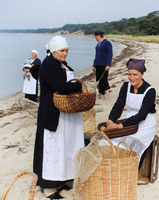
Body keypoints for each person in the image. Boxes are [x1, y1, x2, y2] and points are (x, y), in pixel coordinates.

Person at [33, 35, 84, 199]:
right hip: (53, 113)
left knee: (67, 146)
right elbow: (60, 86)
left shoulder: (61, 63)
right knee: (53, 149)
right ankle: (49, 188)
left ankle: (64, 179)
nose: (65, 53)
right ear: (53, 50)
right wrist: (77, 85)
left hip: (66, 114)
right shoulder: (48, 64)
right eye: (62, 50)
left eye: (67, 50)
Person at [103, 58, 157, 161]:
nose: (131, 78)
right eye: (129, 74)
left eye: (135, 74)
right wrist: (111, 120)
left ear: (141, 74)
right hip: (129, 118)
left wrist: (119, 126)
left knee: (127, 146)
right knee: (108, 141)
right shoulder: (125, 87)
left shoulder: (150, 91)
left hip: (145, 122)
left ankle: (131, 168)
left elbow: (142, 115)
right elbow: (118, 106)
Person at [92, 31, 113, 101]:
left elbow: (109, 54)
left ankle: (107, 96)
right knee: (98, 80)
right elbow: (96, 56)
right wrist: (94, 65)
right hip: (97, 64)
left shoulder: (107, 43)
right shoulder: (98, 45)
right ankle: (102, 95)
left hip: (103, 64)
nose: (95, 37)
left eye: (95, 36)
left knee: (104, 79)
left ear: (98, 36)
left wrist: (108, 64)